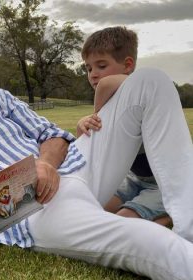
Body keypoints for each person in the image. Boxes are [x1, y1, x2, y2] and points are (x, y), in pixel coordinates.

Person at [0, 36, 193, 279]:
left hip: (75, 165)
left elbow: (53, 135)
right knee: (148, 241)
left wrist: (46, 164)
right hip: (35, 212)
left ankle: (188, 223)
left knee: (150, 82)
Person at [76, 26, 171, 226]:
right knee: (91, 211)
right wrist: (83, 125)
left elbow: (106, 84)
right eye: (89, 68)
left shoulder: (144, 93)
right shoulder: (110, 103)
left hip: (164, 184)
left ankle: (171, 214)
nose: (93, 74)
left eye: (101, 66)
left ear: (128, 65)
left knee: (122, 224)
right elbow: (88, 148)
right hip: (133, 178)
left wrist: (96, 114)